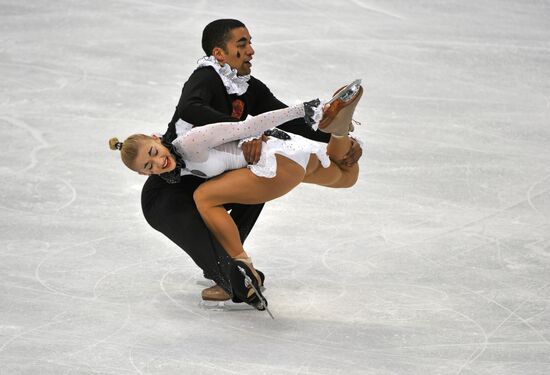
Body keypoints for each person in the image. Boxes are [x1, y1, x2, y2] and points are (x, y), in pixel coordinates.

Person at [138, 19, 363, 305]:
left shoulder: (249, 88)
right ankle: (230, 273)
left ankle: (235, 273)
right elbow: (191, 109)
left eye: (250, 42)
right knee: (189, 212)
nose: (251, 50)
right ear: (219, 53)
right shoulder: (206, 77)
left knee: (248, 179)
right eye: (242, 44)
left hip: (214, 169)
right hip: (173, 183)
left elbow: (287, 118)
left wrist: (331, 133)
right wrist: (245, 133)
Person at [110, 85, 363, 308]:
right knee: (347, 176)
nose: (157, 162)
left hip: (275, 161)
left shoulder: (191, 141)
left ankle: (243, 270)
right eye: (148, 166)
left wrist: (302, 110)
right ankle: (339, 131)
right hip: (292, 155)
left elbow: (247, 126)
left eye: (153, 152)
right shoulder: (176, 167)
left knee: (204, 197)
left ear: (157, 138)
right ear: (145, 175)